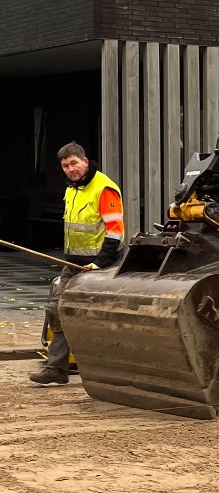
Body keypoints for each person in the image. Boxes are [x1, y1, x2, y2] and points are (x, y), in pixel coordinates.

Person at [29, 142, 124, 385]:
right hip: (74, 262)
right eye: (65, 166)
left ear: (84, 160)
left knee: (92, 315)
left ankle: (110, 366)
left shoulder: (103, 188)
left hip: (100, 265)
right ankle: (57, 369)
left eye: (74, 163)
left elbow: (115, 231)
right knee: (58, 310)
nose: (70, 169)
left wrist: (100, 263)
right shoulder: (71, 189)